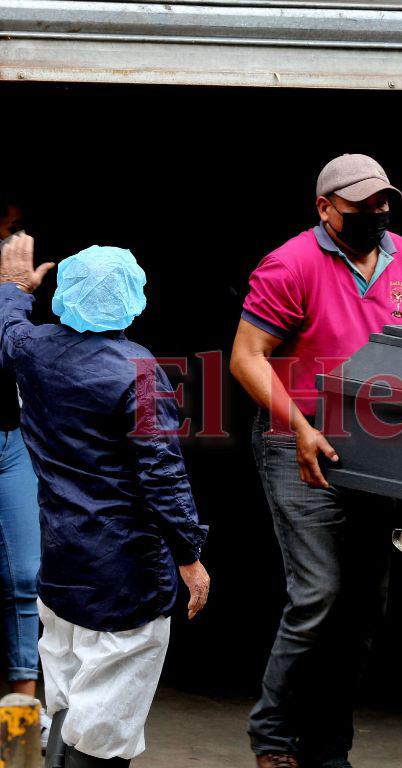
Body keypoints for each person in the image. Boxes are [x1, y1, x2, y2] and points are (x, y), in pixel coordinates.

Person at [230, 154, 402, 768]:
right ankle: (272, 735)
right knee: (318, 593)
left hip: (377, 451)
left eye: (383, 203)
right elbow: (246, 357)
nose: (377, 214)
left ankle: (327, 746)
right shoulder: (289, 264)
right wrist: (298, 427)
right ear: (325, 208)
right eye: (360, 205)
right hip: (298, 443)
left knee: (362, 608)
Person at [0, 236, 209, 768]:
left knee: (68, 706)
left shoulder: (33, 352)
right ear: (132, 299)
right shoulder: (138, 371)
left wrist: (15, 287)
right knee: (104, 732)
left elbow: (9, 326)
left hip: (63, 569)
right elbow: (162, 475)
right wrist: (189, 557)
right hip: (125, 580)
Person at [0, 201, 43, 717]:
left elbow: (20, 350)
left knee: (26, 577)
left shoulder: (13, 282)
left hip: (12, 440)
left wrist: (16, 296)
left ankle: (19, 724)